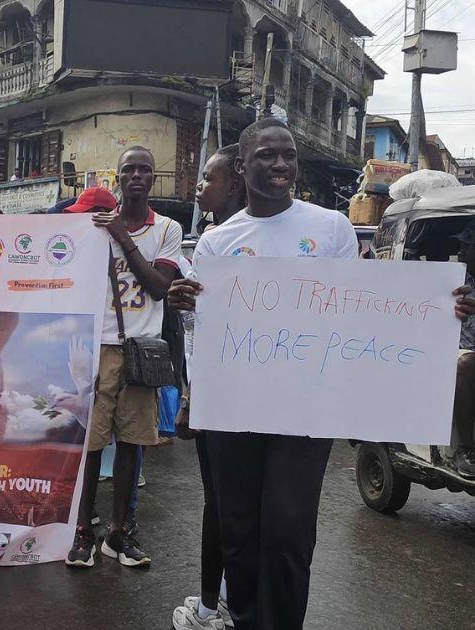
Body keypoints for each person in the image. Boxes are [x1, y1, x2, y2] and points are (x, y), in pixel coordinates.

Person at [167, 118, 475, 629]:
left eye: (288, 154)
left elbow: (365, 301)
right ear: (243, 166)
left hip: (306, 410)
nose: (282, 164)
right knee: (239, 528)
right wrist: (185, 306)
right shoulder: (218, 244)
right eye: (268, 155)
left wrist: (443, 305)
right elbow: (207, 327)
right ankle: (244, 618)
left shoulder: (329, 227)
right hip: (235, 408)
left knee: (288, 527)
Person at [64, 147, 180, 569]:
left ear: (153, 178)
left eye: (143, 169)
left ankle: (120, 531)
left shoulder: (167, 228)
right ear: (117, 177)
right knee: (91, 447)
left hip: (140, 351)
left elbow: (158, 288)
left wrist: (122, 238)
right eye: (128, 169)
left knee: (132, 445)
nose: (135, 175)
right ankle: (82, 532)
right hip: (97, 348)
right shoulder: (92, 229)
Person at [171, 143, 247, 630]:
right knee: (221, 504)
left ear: (235, 183)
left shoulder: (228, 244)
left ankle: (218, 606)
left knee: (232, 507)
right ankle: (210, 604)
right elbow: (202, 334)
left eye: (208, 179)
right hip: (217, 398)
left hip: (245, 399)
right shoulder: (212, 244)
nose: (199, 188)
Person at [452, 224, 475, 478]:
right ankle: (466, 448)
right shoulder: (454, 280)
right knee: (467, 364)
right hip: (460, 349)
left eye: (468, 247)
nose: (460, 252)